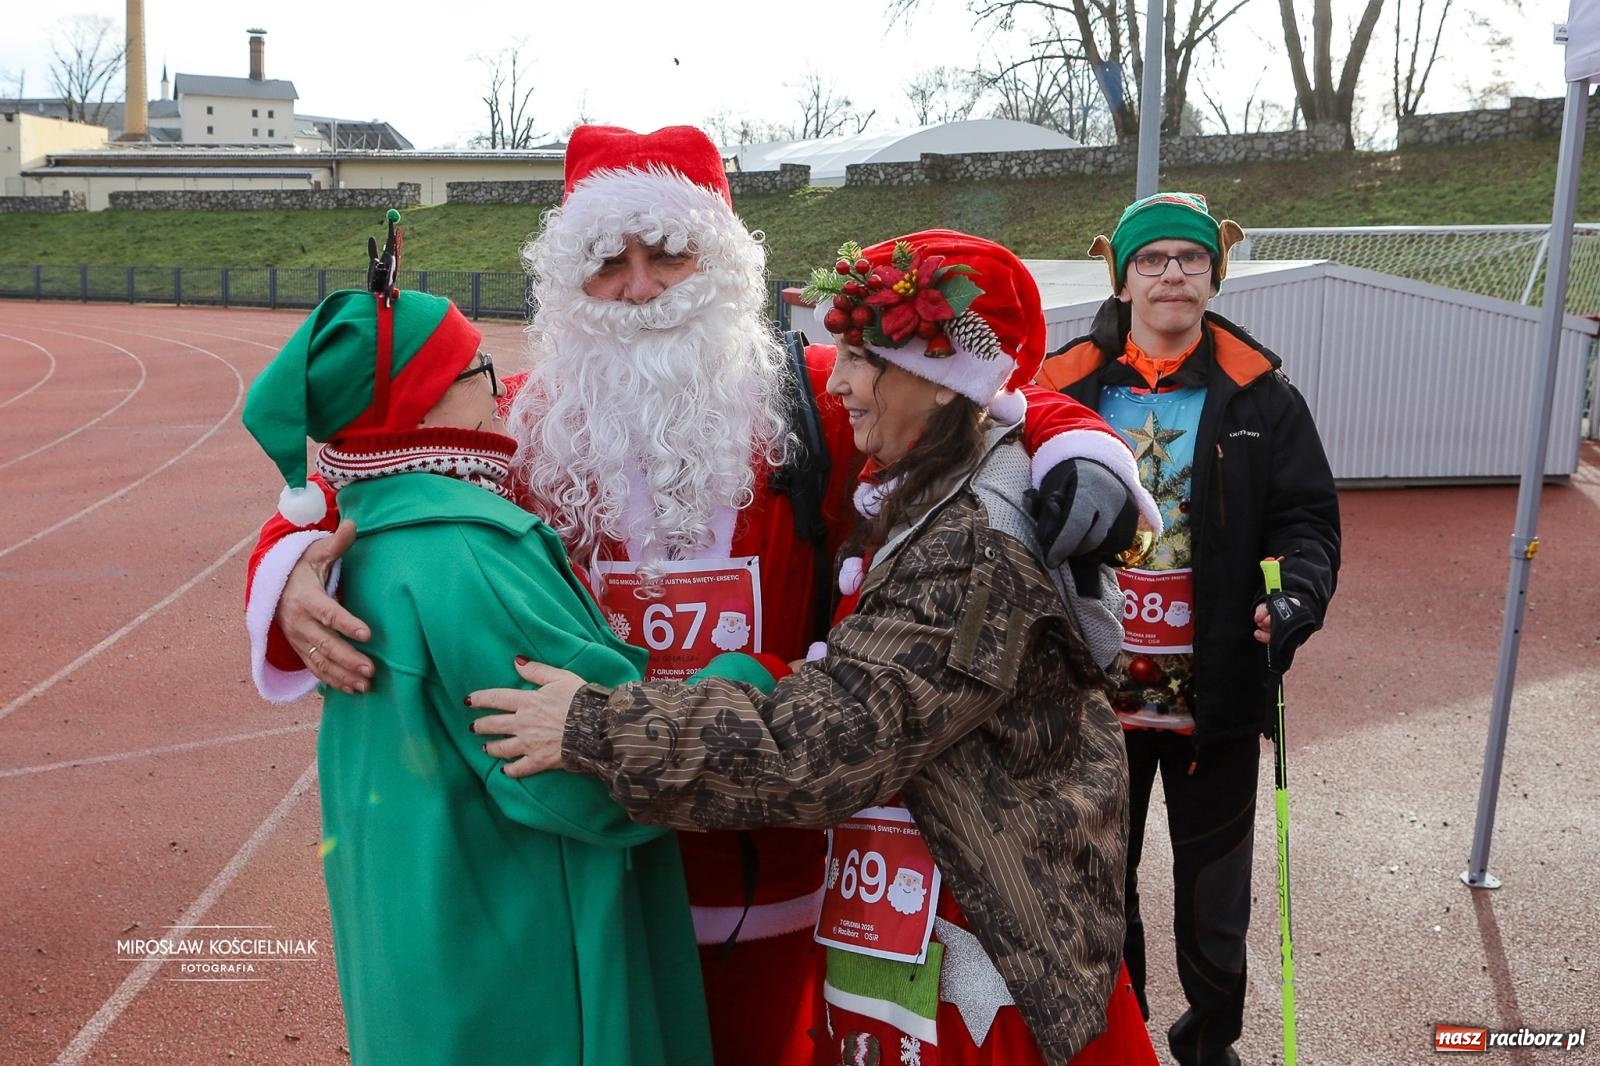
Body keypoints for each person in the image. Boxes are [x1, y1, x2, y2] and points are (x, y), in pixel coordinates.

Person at [241, 127, 1150, 1066]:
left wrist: (1077, 439)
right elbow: (373, 472)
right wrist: (290, 570)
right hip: (604, 865)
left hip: (783, 846)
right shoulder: (515, 421)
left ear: (719, 261)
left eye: (669, 255)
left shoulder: (811, 405)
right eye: (607, 264)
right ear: (566, 285)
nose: (640, 288)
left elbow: (975, 389)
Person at [467, 230, 1163, 1066]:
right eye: (608, 263)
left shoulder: (974, 537)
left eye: (868, 361)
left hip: (978, 967)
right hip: (908, 929)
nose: (845, 383)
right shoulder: (928, 486)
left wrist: (589, 729)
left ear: (946, 385)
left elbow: (834, 739)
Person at [240, 277, 714, 1064]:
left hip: (427, 941)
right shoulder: (471, 551)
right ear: (424, 399)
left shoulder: (371, 534)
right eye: (478, 367)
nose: (500, 389)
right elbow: (587, 784)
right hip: (520, 966)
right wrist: (753, 682)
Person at [1032, 192, 1341, 1066]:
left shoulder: (1262, 392)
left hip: (1219, 693)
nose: (1173, 273)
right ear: (1122, 277)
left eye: (1191, 259)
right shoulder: (1063, 386)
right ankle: (1117, 1045)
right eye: (1153, 259)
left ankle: (1209, 1047)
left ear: (1215, 273)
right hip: (1091, 701)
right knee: (1097, 889)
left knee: (1214, 897)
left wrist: (1298, 600)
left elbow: (1308, 520)